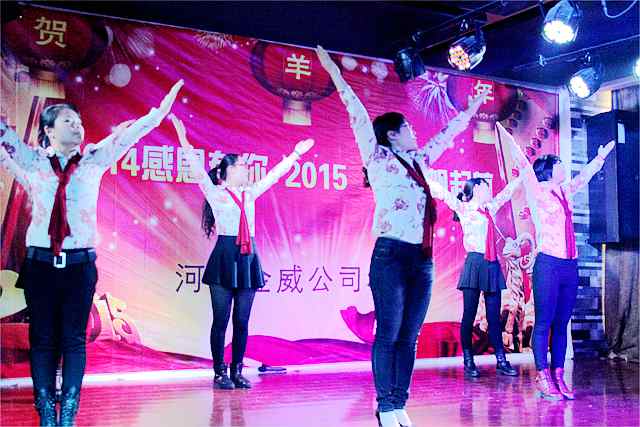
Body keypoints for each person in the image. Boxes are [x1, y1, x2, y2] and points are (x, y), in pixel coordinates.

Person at [316, 45, 486, 427]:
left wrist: (471, 110)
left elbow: (446, 134)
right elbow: (356, 111)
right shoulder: (377, 158)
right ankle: (385, 405)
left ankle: (398, 402)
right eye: (407, 128)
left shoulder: (421, 162)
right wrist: (333, 69)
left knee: (410, 336)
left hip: (422, 259)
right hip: (390, 256)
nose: (414, 132)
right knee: (389, 333)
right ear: (392, 135)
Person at [0, 80, 184, 426]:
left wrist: (160, 111)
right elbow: (3, 136)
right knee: (42, 340)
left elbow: (131, 135)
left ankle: (68, 412)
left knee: (74, 340)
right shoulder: (34, 161)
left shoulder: (94, 159)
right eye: (67, 121)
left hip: (79, 265)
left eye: (79, 121)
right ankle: (46, 413)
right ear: (49, 131)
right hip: (40, 264)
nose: (77, 126)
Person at [168, 113, 314, 390]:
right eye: (241, 166)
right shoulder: (215, 193)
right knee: (221, 320)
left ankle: (237, 370)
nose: (246, 169)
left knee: (242, 321)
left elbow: (275, 175)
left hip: (248, 258)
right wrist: (182, 138)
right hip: (225, 257)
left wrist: (296, 154)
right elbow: (196, 168)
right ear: (225, 172)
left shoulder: (251, 193)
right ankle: (219, 372)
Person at [499, 122, 615, 400]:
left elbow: (584, 177)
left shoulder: (565, 190)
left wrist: (599, 158)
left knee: (562, 323)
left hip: (569, 265)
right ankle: (542, 377)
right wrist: (507, 136)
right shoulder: (537, 189)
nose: (564, 168)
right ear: (549, 170)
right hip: (548, 264)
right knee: (544, 322)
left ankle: (559, 376)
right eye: (560, 164)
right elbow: (523, 163)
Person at [429, 175, 522, 378]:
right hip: (474, 263)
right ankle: (468, 360)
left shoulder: (490, 208)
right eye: (487, 186)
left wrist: (522, 175)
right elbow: (444, 194)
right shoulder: (464, 208)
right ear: (478, 187)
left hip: (491, 264)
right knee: (469, 316)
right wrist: (427, 174)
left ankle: (501, 360)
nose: (490, 190)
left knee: (494, 317)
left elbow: (506, 194)